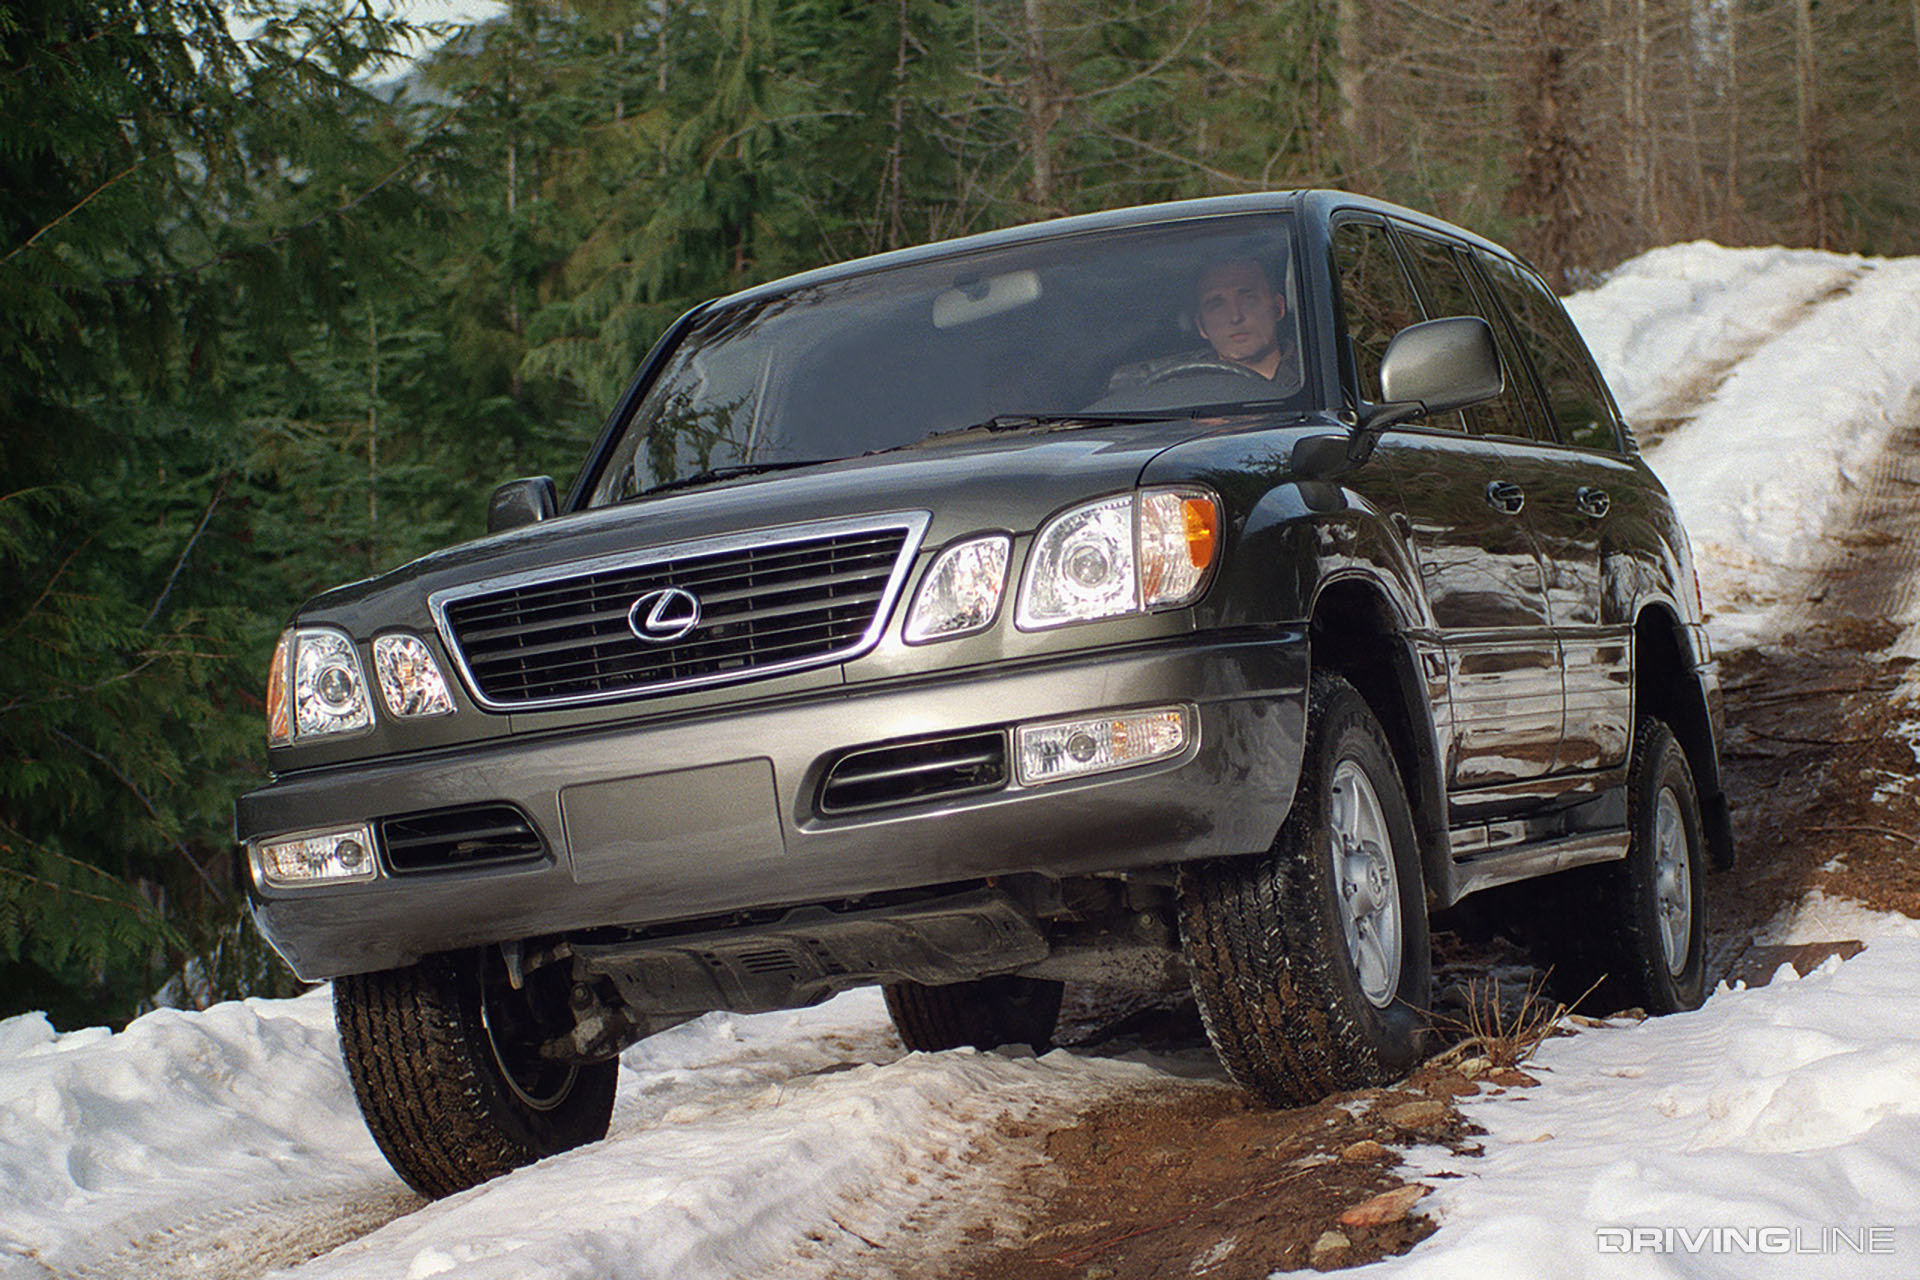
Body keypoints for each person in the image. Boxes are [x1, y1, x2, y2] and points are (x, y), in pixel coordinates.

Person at [1106, 253, 1302, 395]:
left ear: (1278, 307)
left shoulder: (1317, 378)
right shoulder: (1173, 392)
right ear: (1201, 326)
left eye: (1249, 298)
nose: (1235, 316)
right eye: (1216, 304)